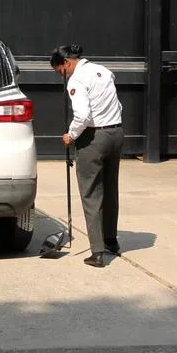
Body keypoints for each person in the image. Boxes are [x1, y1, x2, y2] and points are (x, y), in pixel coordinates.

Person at [50, 44, 124, 268]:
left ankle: (98, 252)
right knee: (110, 189)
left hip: (94, 138)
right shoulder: (104, 71)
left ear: (67, 63)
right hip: (116, 132)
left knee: (91, 193)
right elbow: (117, 104)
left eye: (61, 71)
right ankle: (111, 240)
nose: (63, 76)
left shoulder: (77, 79)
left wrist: (70, 136)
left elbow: (82, 115)